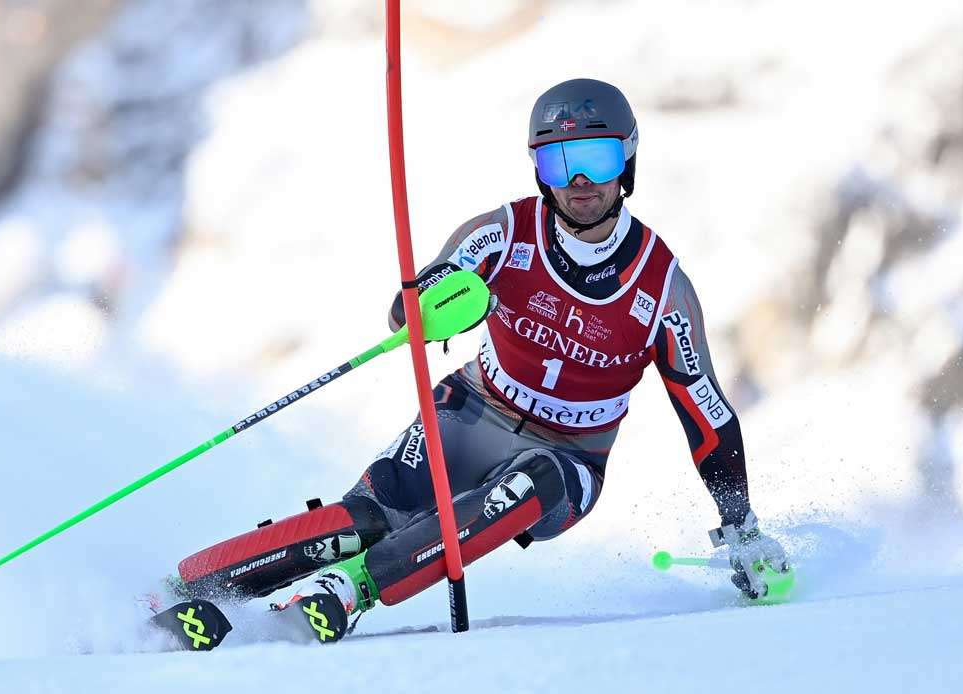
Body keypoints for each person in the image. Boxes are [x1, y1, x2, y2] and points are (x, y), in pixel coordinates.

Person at [171, 78, 790, 643]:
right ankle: (188, 589)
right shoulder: (505, 231)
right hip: (468, 413)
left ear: (627, 160)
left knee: (532, 482)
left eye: (597, 160)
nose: (579, 183)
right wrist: (423, 306)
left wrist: (741, 527)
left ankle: (351, 588)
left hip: (568, 458)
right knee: (365, 516)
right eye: (558, 162)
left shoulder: (662, 288)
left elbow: (707, 414)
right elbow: (417, 298)